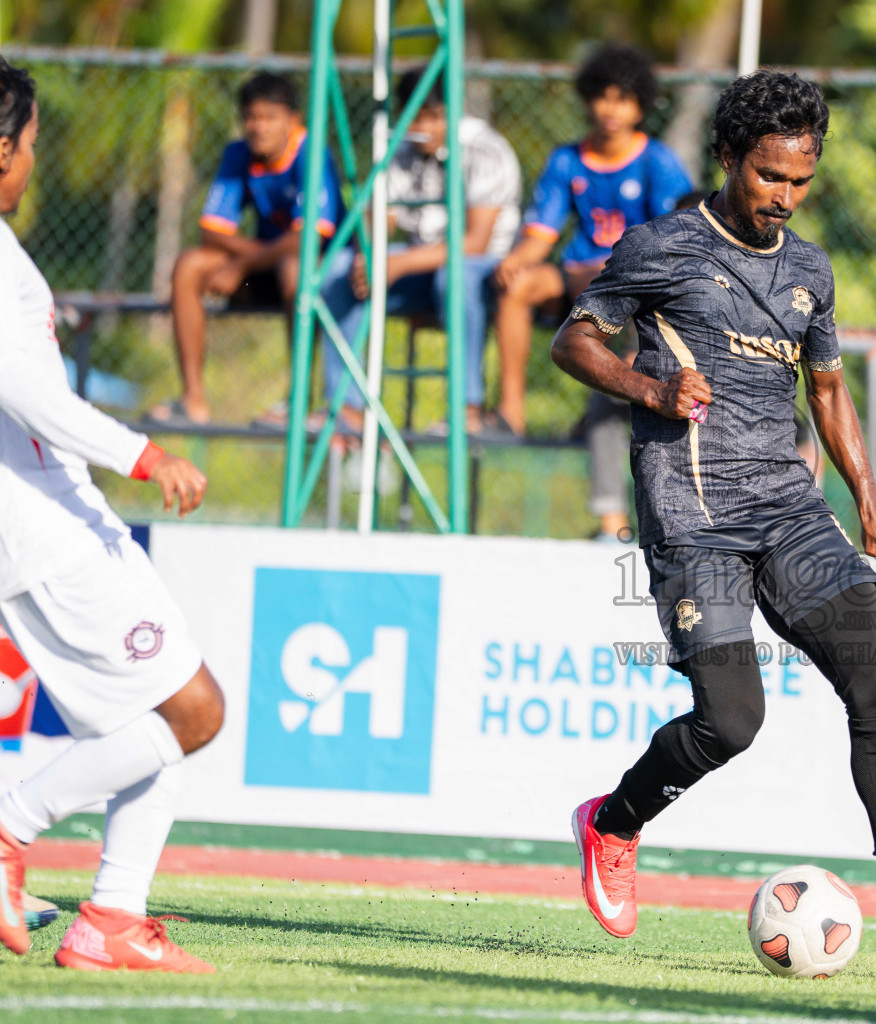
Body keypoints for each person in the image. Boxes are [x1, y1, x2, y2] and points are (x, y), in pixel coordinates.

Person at [552, 70, 876, 974]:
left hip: (790, 509)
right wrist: (650, 386)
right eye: (768, 178)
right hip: (695, 514)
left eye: (800, 180)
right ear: (728, 160)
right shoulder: (663, 246)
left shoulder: (810, 269)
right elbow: (574, 339)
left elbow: (827, 389)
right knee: (731, 721)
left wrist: (870, 505)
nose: (784, 198)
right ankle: (613, 821)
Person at [0, 58, 223, 972]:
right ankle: (11, 829)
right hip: (49, 526)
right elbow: (30, 394)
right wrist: (148, 452)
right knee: (194, 710)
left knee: (147, 719)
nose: (31, 165)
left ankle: (112, 922)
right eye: (31, 147)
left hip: (36, 524)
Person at [498, 43, 693, 443]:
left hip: (636, 279)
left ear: (640, 107)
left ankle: (607, 408)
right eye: (603, 97)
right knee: (517, 286)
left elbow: (676, 236)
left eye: (623, 100)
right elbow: (541, 233)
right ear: (588, 100)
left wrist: (618, 269)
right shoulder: (566, 161)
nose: (611, 109)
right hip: (577, 276)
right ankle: (509, 412)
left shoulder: (658, 161)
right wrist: (517, 258)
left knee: (616, 287)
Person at [320, 67, 520, 435]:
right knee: (337, 269)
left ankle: (467, 407)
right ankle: (343, 407)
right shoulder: (399, 150)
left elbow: (476, 242)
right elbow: (379, 217)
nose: (421, 125)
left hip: (480, 268)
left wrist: (396, 262)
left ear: (453, 111)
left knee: (455, 276)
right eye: (414, 115)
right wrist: (368, 252)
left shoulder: (485, 151)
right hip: (417, 263)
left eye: (432, 115)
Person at [149, 71, 343, 427]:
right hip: (259, 276)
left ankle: (299, 400)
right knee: (189, 266)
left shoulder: (312, 153)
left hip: (315, 282)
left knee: (294, 267)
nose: (259, 127)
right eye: (251, 118)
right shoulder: (239, 154)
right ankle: (193, 399)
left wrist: (241, 265)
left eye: (269, 118)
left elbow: (311, 237)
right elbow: (212, 229)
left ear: (292, 121)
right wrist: (248, 264)